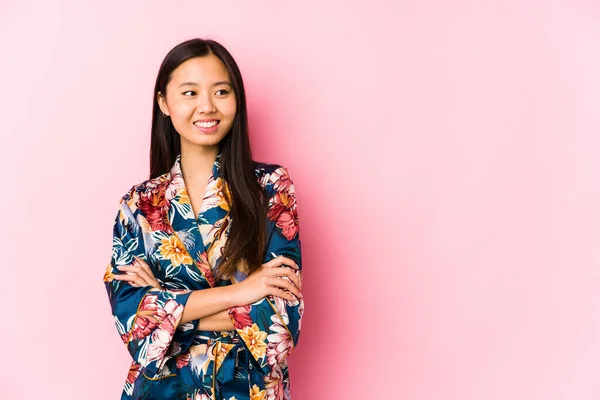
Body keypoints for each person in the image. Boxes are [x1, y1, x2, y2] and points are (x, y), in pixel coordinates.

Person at [103, 38, 304, 400]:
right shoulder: (138, 204)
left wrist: (165, 305)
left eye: (221, 91)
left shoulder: (270, 188)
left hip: (248, 390)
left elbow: (280, 325)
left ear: (237, 99)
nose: (207, 107)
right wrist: (244, 292)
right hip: (162, 391)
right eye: (190, 93)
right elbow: (134, 327)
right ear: (164, 102)